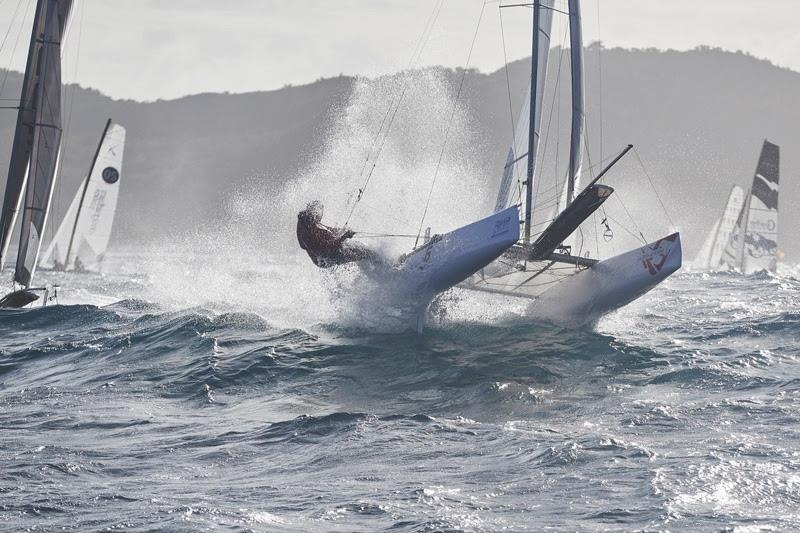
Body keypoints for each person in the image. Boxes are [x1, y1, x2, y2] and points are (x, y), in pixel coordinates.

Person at [296, 201, 379, 268]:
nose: (320, 216)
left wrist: (341, 231)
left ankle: (375, 260)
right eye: (318, 213)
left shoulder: (307, 221)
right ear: (312, 213)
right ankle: (381, 266)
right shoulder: (307, 231)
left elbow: (325, 229)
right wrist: (344, 237)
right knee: (365, 253)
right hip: (328, 257)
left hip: (332, 248)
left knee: (360, 246)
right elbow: (327, 249)